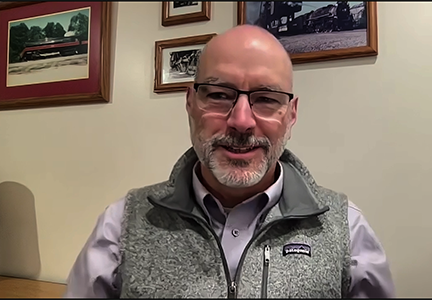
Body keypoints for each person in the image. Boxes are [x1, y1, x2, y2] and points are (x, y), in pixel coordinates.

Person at [63, 25, 395, 298]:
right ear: (191, 104)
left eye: (266, 99)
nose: (241, 121)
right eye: (219, 95)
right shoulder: (122, 223)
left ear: (291, 115)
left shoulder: (346, 229)